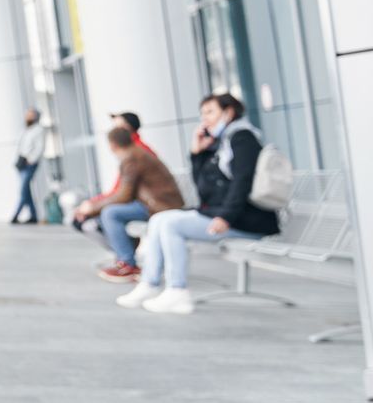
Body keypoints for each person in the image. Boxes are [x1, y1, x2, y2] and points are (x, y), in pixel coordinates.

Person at [118, 93, 279, 315]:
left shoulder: (242, 138)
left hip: (246, 219)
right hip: (224, 215)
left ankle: (177, 291)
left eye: (210, 112)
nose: (205, 118)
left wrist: (226, 217)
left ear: (229, 112)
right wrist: (197, 153)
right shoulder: (220, 143)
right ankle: (149, 284)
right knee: (159, 219)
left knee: (171, 224)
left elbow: (243, 181)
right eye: (202, 113)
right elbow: (204, 188)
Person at [90, 125, 184, 282]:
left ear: (112, 145)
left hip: (160, 207)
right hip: (157, 203)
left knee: (110, 213)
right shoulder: (136, 153)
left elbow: (123, 195)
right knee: (104, 215)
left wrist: (92, 207)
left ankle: (127, 264)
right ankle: (125, 256)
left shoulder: (132, 158)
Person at [71, 111, 159, 234]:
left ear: (127, 128)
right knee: (87, 220)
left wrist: (93, 206)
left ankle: (126, 253)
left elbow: (123, 194)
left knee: (106, 214)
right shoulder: (130, 152)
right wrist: (93, 203)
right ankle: (124, 251)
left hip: (146, 204)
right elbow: (119, 190)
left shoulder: (136, 153)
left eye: (117, 127)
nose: (113, 131)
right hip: (136, 201)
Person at [11, 108, 46, 224]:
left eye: (30, 115)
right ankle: (33, 216)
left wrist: (31, 160)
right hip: (21, 163)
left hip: (30, 164)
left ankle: (15, 215)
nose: (27, 117)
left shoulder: (39, 130)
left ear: (35, 117)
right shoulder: (25, 130)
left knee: (23, 190)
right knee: (26, 191)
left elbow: (40, 147)